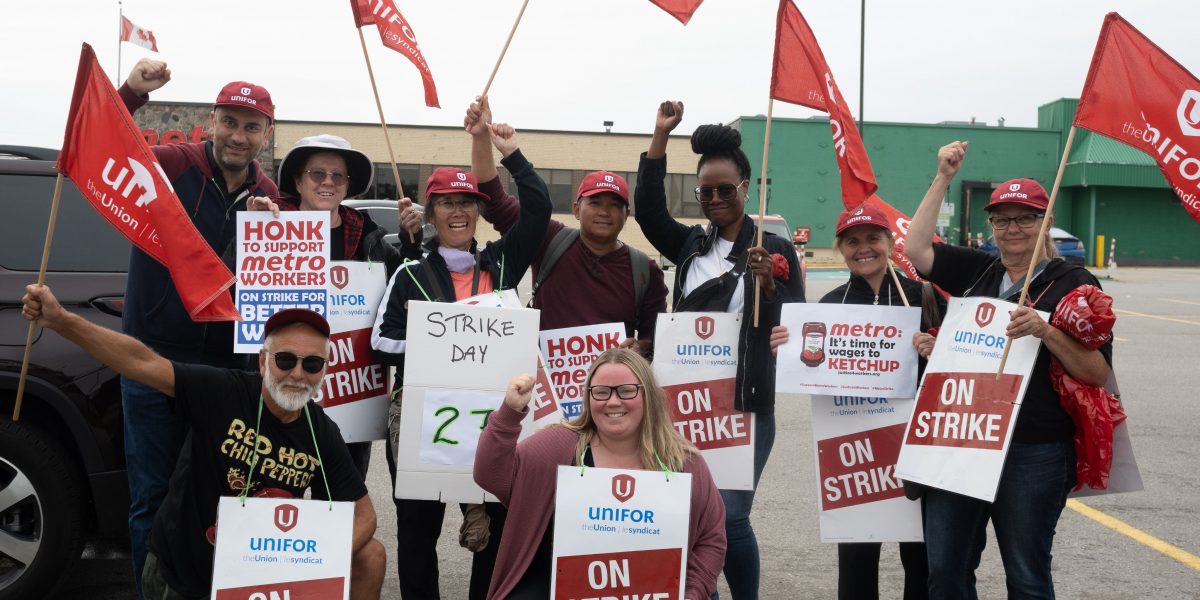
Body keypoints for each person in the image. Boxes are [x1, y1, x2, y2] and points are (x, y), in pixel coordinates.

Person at [21, 287, 386, 600]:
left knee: (371, 554)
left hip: (261, 577)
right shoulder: (222, 392)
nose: (297, 374)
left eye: (312, 364)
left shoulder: (321, 433)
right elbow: (140, 362)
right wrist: (60, 320)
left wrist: (313, 563)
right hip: (186, 576)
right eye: (285, 359)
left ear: (324, 370)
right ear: (262, 361)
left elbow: (364, 516)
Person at [904, 142, 1113, 599]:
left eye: (1025, 218)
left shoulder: (1075, 284)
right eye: (1001, 219)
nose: (1012, 228)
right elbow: (916, 248)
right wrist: (943, 176)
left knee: (1027, 576)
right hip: (962, 440)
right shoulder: (979, 271)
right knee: (945, 573)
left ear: (1047, 222)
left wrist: (1046, 330)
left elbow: (1096, 373)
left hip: (1032, 450)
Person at [118, 58, 279, 595]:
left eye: (251, 126)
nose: (239, 136)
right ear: (212, 120)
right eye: (230, 122)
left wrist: (267, 234)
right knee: (152, 496)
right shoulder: (171, 164)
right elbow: (103, 153)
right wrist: (132, 93)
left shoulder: (272, 199)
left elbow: (278, 287)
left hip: (225, 372)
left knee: (219, 498)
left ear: (266, 133)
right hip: (152, 360)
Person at [372, 123, 552, 600]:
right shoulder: (410, 271)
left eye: (468, 202)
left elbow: (537, 209)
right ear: (431, 211)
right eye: (448, 202)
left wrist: (510, 152)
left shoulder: (502, 263)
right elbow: (381, 341)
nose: (459, 211)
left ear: (480, 212)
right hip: (421, 417)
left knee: (492, 526)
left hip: (490, 418)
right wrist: (435, 346)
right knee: (417, 527)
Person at [633, 101, 804, 599]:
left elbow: (794, 323)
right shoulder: (691, 247)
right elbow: (648, 210)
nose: (714, 199)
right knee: (685, 510)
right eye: (704, 191)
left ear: (746, 189)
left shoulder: (773, 248)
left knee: (729, 515)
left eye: (725, 190)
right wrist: (660, 135)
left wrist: (769, 283)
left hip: (744, 403)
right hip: (686, 403)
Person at [768, 203, 945, 600]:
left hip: (916, 446)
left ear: (890, 244)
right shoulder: (829, 306)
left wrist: (936, 348)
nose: (863, 248)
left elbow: (953, 368)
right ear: (841, 249)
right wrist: (788, 351)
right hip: (855, 450)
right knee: (856, 557)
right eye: (852, 242)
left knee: (920, 557)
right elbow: (811, 372)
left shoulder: (924, 296)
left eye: (873, 239)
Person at [474, 348, 726, 599]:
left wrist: (691, 594)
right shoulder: (559, 445)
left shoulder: (682, 462)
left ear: (648, 395)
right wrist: (508, 414)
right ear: (588, 397)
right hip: (553, 587)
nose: (613, 401)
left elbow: (711, 539)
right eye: (601, 392)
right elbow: (490, 474)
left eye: (627, 390)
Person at [437, 97, 669, 356]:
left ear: (627, 215)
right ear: (576, 210)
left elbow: (655, 337)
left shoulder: (643, 270)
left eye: (615, 205)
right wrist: (481, 137)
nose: (605, 211)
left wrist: (642, 347)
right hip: (544, 388)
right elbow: (493, 199)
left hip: (608, 392)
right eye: (595, 202)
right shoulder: (549, 239)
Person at [245, 133, 410, 479]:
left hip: (351, 397)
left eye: (338, 176)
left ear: (347, 186)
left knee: (341, 501)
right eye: (317, 173)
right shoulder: (268, 226)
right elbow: (236, 290)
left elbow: (408, 291)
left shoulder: (371, 240)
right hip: (282, 386)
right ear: (297, 180)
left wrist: (412, 243)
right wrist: (250, 233)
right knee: (273, 492)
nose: (328, 182)